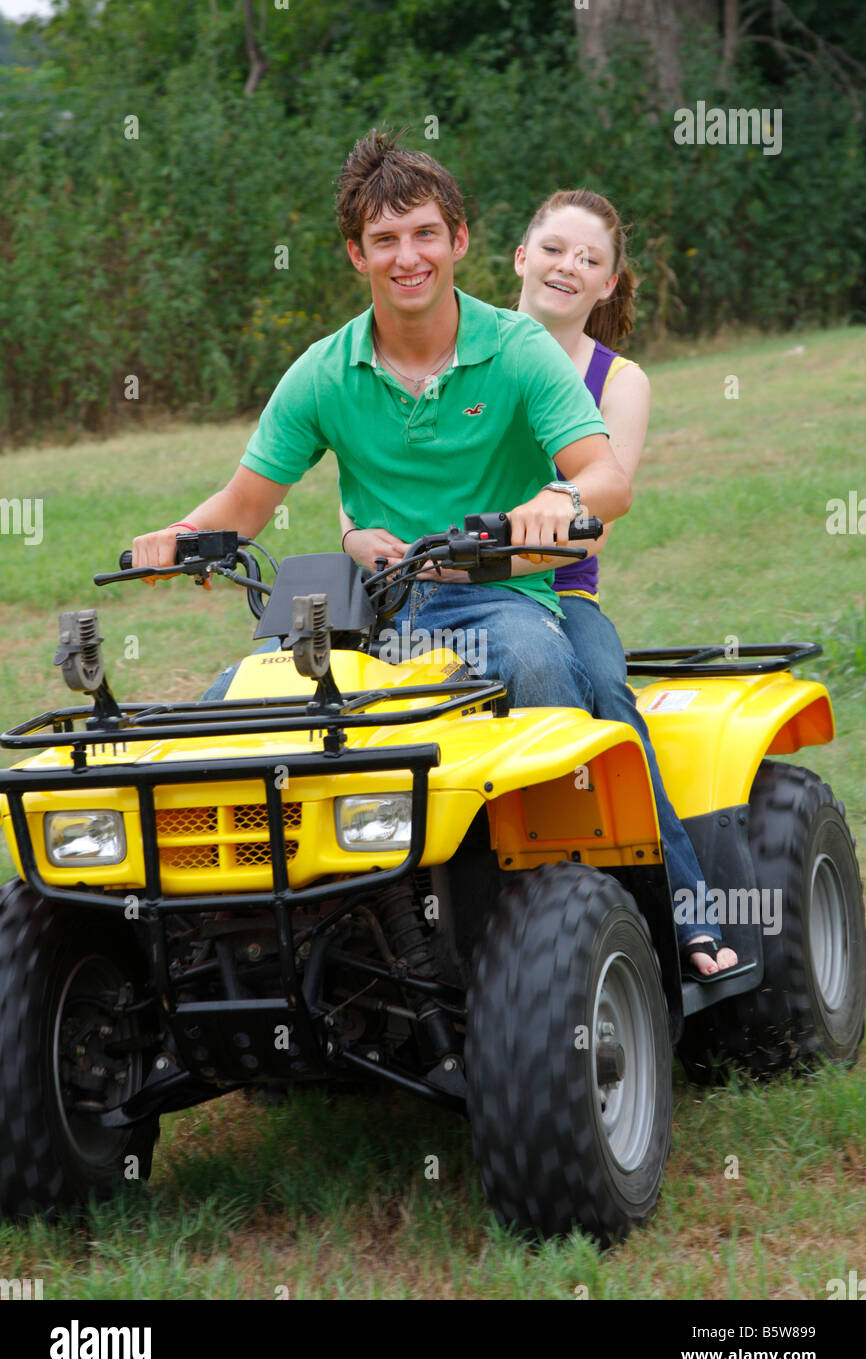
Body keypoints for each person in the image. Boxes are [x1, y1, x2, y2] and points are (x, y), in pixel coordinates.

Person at [341, 186, 738, 979]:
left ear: (608, 285)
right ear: (520, 257)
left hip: (558, 591)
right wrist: (359, 538)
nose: (568, 266)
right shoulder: (457, 347)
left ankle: (684, 907)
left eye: (590, 259)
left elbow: (600, 506)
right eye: (554, 248)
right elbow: (387, 484)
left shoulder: (614, 379)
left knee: (605, 695)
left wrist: (499, 548)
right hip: (429, 589)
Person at [132, 129, 630, 731]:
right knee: (235, 707)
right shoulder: (323, 373)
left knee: (536, 666)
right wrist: (180, 534)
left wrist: (561, 495)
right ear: (357, 254)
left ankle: (562, 824)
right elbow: (243, 505)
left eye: (425, 233)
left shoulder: (520, 349)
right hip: (367, 606)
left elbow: (608, 480)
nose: (408, 257)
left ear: (459, 240)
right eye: (385, 240)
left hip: (500, 601)